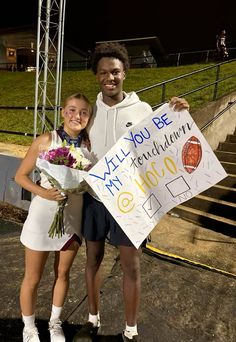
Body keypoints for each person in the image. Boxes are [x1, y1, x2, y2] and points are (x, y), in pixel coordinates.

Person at [73, 42, 190, 342]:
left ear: (125, 72)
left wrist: (179, 114)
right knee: (92, 260)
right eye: (102, 73)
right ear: (96, 76)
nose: (109, 78)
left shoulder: (142, 110)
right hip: (96, 198)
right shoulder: (89, 110)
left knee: (131, 266)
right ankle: (91, 320)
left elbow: (165, 143)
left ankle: (131, 331)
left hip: (129, 203)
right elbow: (72, 144)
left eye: (114, 72)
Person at [15, 93, 92, 342]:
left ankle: (54, 323)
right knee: (33, 277)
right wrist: (44, 193)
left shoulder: (89, 146)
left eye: (83, 112)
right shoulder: (46, 140)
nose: (76, 116)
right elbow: (21, 176)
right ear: (62, 112)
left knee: (63, 274)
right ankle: (29, 327)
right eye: (71, 110)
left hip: (71, 218)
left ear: (89, 117)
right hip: (43, 216)